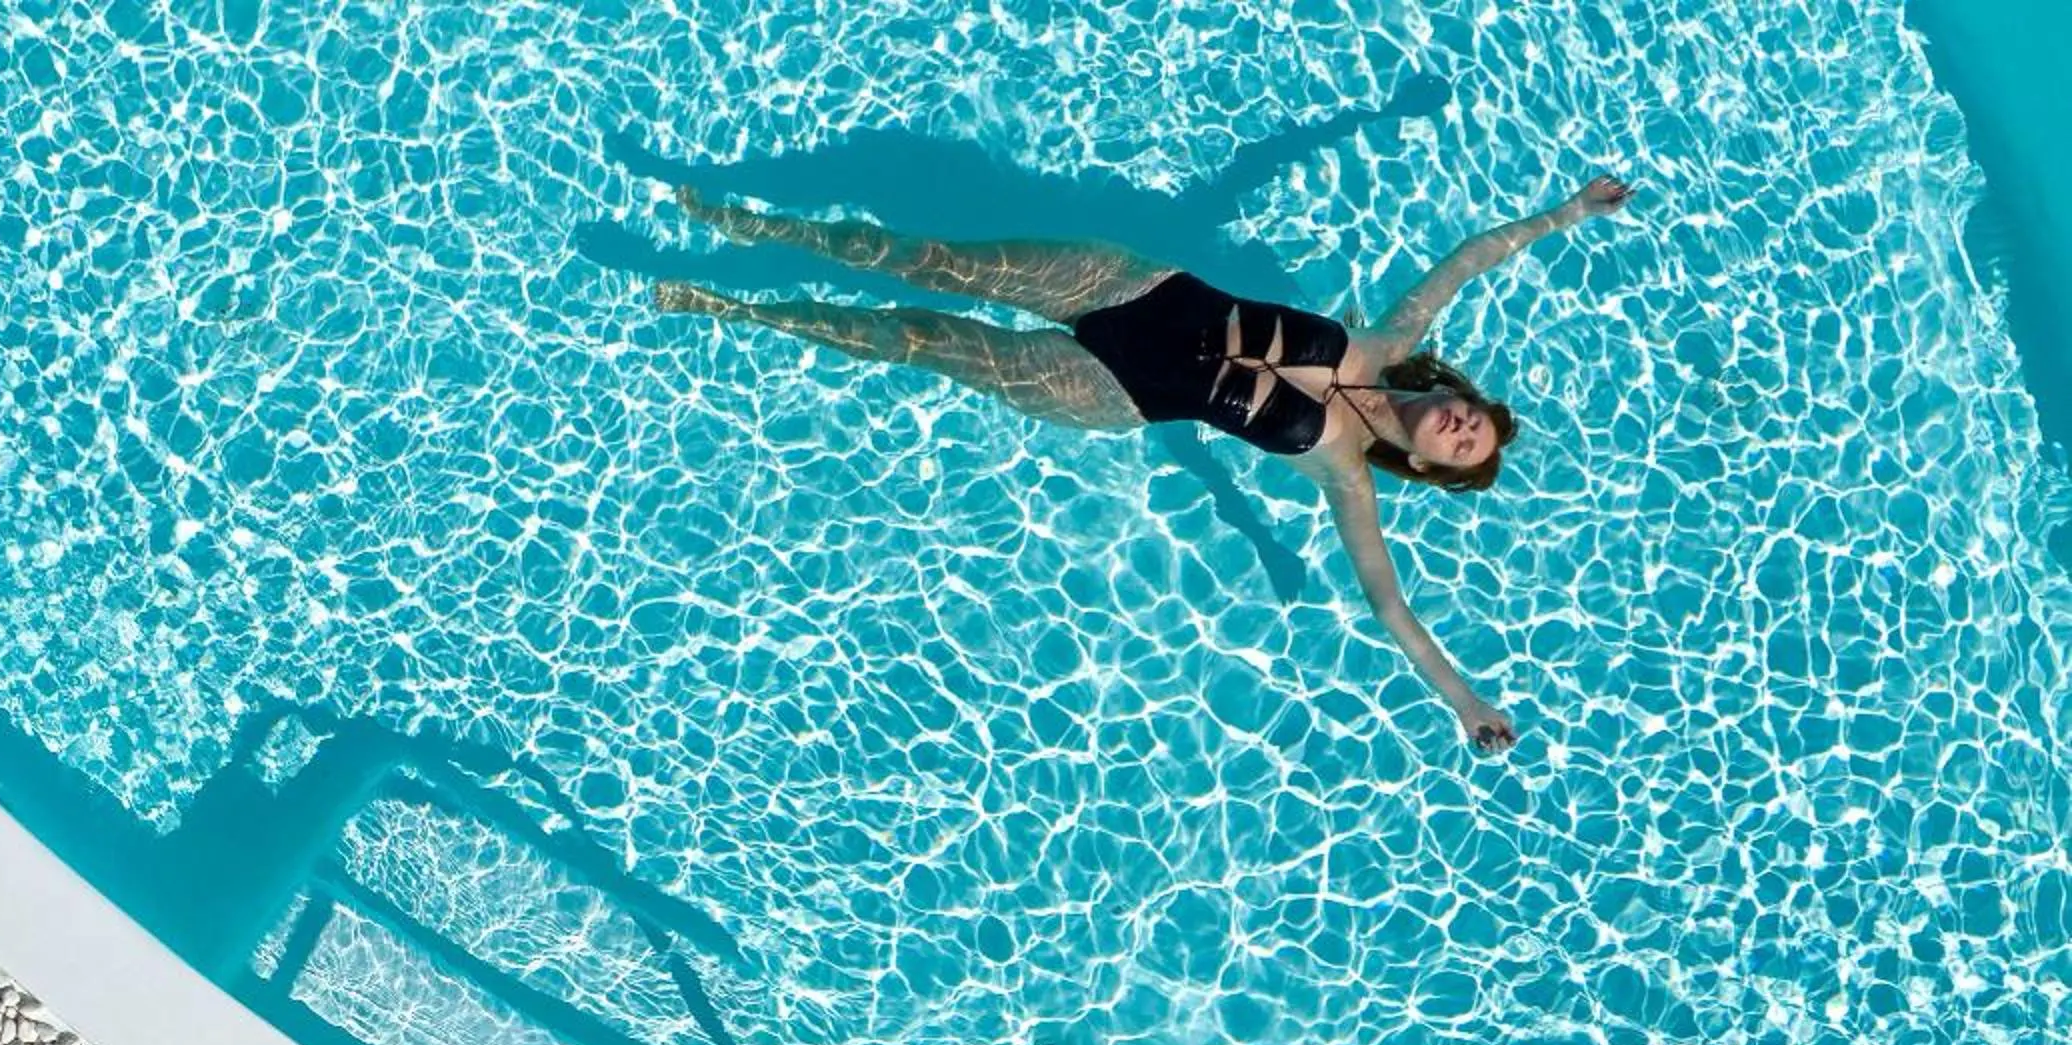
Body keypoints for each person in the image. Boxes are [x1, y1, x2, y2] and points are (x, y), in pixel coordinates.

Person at [654, 173, 1635, 747]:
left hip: (1116, 395)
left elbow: (1391, 609)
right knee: (934, 259)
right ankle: (759, 227)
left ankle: (733, 305)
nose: (1462, 428)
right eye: (1472, 418)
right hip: (1138, 289)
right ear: (1455, 397)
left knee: (922, 337)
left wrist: (1467, 704)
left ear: (1434, 468)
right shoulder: (1387, 338)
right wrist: (1568, 215)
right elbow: (1468, 259)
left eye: (1465, 448)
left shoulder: (1344, 475)